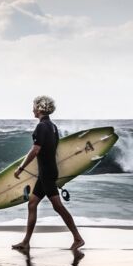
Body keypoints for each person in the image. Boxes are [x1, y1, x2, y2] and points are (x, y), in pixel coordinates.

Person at [11, 95, 85, 253]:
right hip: (48, 171)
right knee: (32, 204)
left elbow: (35, 150)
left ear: (39, 108)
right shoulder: (52, 126)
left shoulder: (41, 127)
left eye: (34, 106)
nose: (32, 109)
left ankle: (78, 238)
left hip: (46, 173)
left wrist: (21, 167)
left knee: (58, 207)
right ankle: (26, 242)